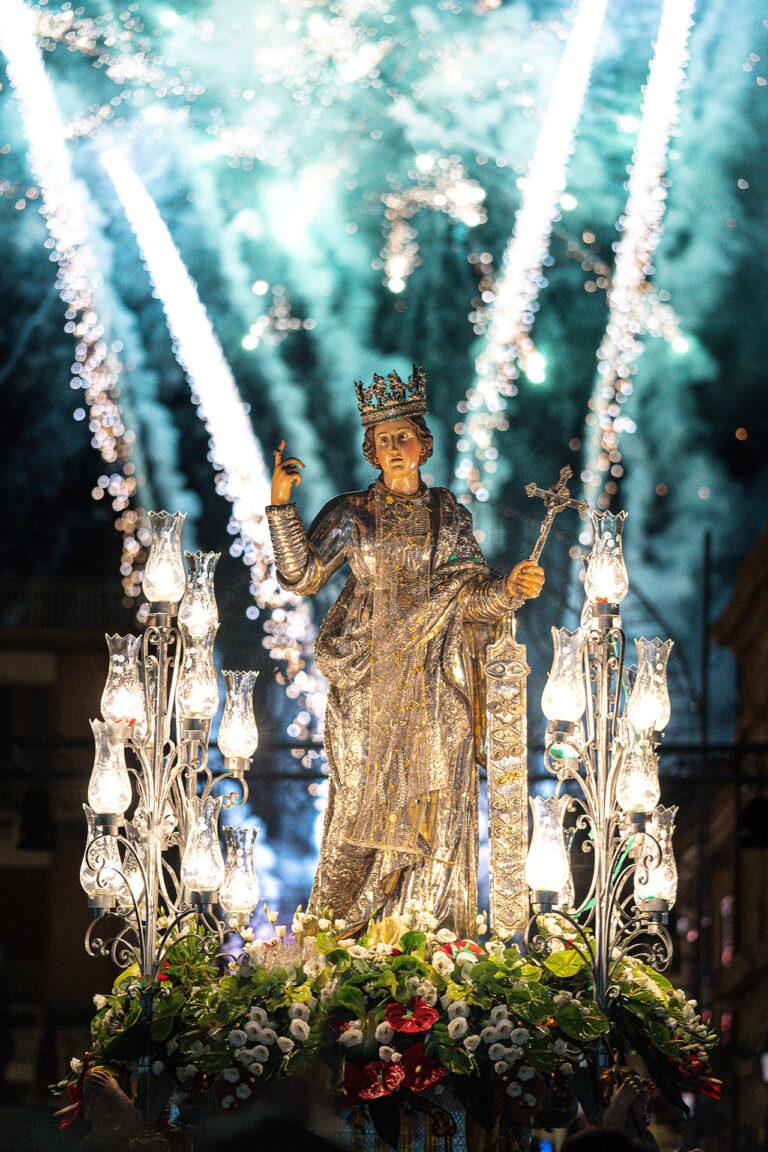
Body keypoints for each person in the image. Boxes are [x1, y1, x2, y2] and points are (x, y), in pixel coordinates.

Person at [266, 366, 543, 934]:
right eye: (383, 440)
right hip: (367, 682)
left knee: (436, 807)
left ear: (423, 444)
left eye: (403, 436)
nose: (394, 448)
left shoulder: (448, 516)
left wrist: (509, 590)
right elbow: (301, 577)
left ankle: (427, 933)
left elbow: (470, 598)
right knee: (356, 804)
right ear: (372, 450)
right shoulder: (351, 513)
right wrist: (280, 507)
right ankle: (339, 932)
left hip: (435, 682)